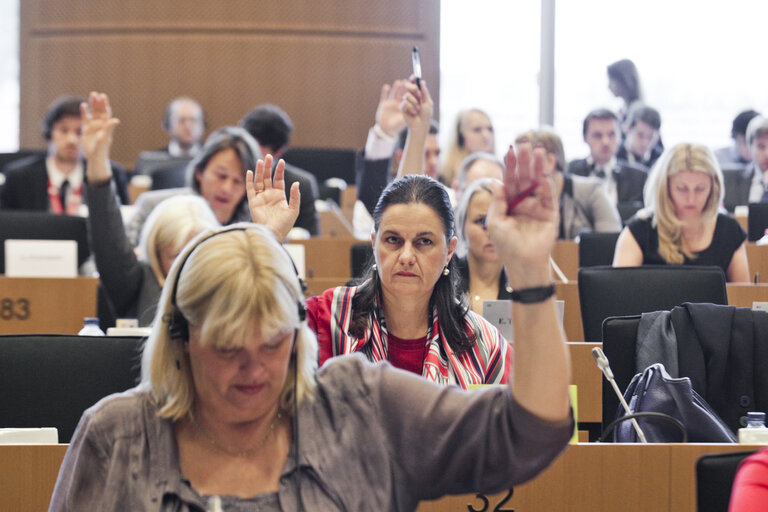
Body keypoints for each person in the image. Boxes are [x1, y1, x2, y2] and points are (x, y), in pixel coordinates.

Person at [49, 142, 573, 510]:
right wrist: (265, 242)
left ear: (298, 339)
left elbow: (531, 430)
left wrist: (528, 275)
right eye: (230, 348)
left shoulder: (360, 408)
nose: (254, 367)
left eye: (274, 344)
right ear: (181, 341)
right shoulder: (115, 436)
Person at [81, 92, 220, 325]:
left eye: (196, 254)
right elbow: (109, 245)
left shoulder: (224, 286)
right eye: (176, 255)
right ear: (156, 253)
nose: (186, 266)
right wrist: (97, 165)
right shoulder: (138, 285)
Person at [613, 143, 750, 282]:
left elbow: (743, 297)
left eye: (700, 189)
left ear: (714, 187)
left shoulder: (729, 230)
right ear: (665, 187)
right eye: (682, 188)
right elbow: (620, 295)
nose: (691, 199)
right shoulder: (638, 231)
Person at [125, 125, 259, 246]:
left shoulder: (257, 223)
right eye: (221, 176)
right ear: (200, 171)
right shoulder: (154, 207)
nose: (227, 189)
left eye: (238, 181)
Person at [0, 95, 129, 212]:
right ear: (50, 133)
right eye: (63, 130)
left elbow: (123, 222)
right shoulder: (19, 176)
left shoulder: (108, 175)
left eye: (80, 132)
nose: (71, 140)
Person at [517, 129, 621, 239]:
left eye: (522, 162)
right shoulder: (519, 201)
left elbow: (611, 243)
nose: (515, 170)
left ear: (550, 161)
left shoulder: (591, 191)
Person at [239, 104, 320, 236]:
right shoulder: (230, 178)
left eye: (256, 151)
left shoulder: (300, 185)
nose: (248, 156)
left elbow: (312, 242)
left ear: (278, 152)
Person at [568, 108, 648, 209]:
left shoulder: (639, 177)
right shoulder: (570, 173)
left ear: (620, 136)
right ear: (585, 137)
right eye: (598, 135)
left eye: (612, 135)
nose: (605, 142)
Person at [454, 177, 511, 314]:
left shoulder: (523, 287)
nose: (491, 230)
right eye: (481, 220)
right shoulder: (445, 279)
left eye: (499, 220)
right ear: (462, 227)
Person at [133, 96, 207, 175]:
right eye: (181, 120)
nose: (188, 126)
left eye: (193, 120)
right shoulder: (150, 162)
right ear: (167, 125)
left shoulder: (211, 159)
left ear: (203, 125)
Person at [439, 108, 495, 188]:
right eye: (477, 129)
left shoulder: (501, 172)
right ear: (461, 136)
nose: (485, 135)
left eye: (490, 129)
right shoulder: (445, 178)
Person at [616, 105, 663, 169]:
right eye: (640, 135)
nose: (645, 143)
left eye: (650, 137)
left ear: (657, 136)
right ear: (628, 129)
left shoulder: (661, 160)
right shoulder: (614, 153)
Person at [607, 58, 643, 133]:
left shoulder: (641, 114)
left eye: (611, 80)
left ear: (623, 81)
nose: (608, 86)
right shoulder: (622, 111)